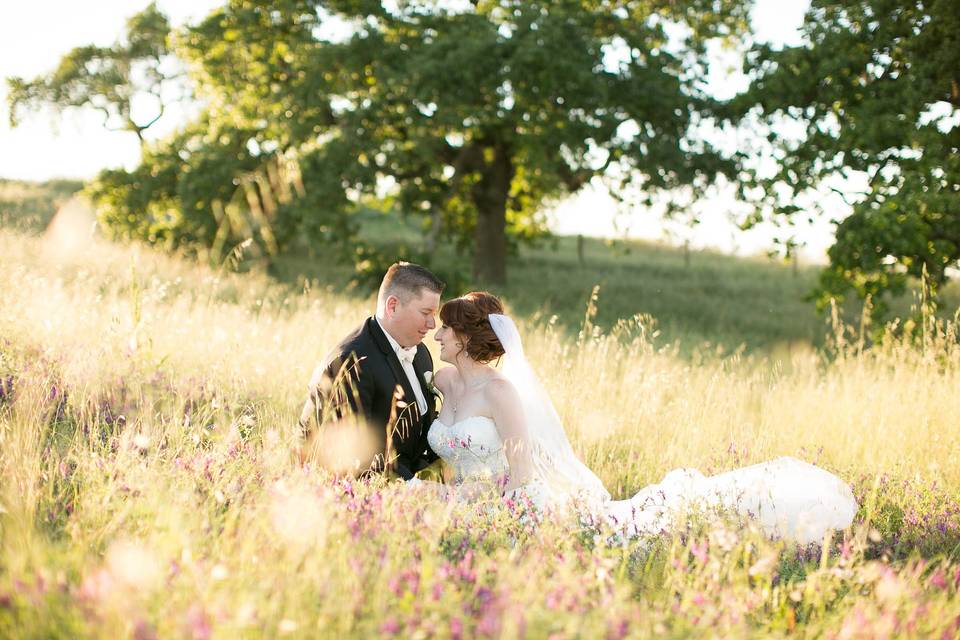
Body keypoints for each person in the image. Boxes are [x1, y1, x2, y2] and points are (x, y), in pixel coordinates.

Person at [426, 292, 858, 544]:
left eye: (444, 328)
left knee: (653, 527)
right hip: (459, 504)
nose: (437, 334)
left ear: (463, 336)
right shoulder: (445, 380)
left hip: (504, 505)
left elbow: (520, 477)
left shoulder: (501, 393)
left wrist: (466, 504)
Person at [299, 262, 444, 480]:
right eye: (426, 312)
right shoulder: (351, 362)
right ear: (392, 306)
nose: (433, 324)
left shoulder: (421, 354)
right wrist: (415, 489)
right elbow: (350, 456)